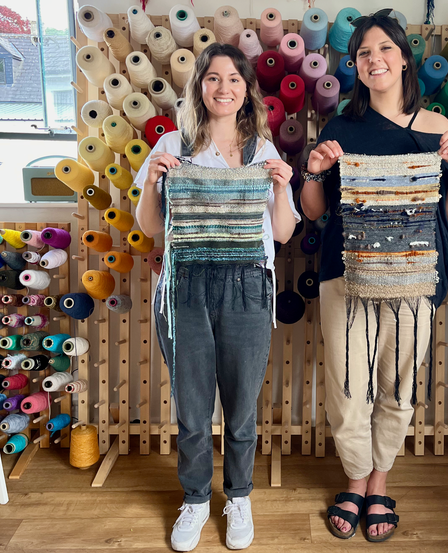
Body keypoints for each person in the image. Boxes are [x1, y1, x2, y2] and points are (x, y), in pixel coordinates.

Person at [300, 12, 448, 543]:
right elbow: (311, 212)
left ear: (403, 57)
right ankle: (353, 480)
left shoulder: (437, 128)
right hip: (344, 274)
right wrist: (314, 171)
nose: (374, 59)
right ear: (355, 65)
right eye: (363, 53)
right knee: (348, 386)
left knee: (397, 386)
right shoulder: (341, 129)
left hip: (417, 278)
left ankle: (378, 484)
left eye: (383, 49)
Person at [135, 43, 299, 552]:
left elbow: (284, 234)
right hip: (183, 283)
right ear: (198, 87)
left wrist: (285, 189)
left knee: (242, 405)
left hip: (248, 284)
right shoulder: (173, 147)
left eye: (233, 79)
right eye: (212, 78)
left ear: (247, 90)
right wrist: (153, 185)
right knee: (192, 404)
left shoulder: (264, 154)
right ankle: (195, 500)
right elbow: (151, 229)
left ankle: (239, 496)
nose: (223, 87)